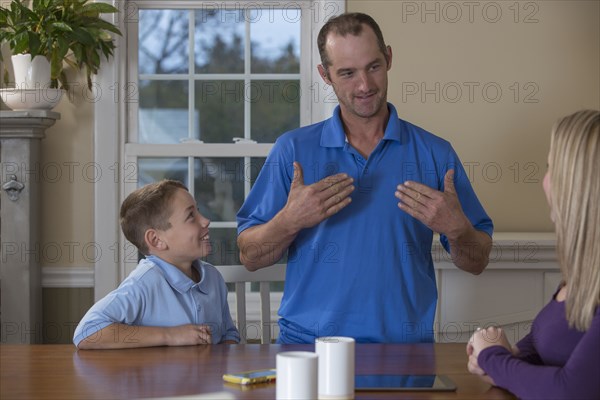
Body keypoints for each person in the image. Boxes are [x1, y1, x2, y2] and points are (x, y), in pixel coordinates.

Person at [236, 12, 493, 344]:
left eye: (373, 66)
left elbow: (477, 261)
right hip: (308, 350)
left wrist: (458, 230)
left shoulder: (435, 154)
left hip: (404, 351)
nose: (365, 85)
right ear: (325, 75)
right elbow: (250, 257)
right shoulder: (292, 150)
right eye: (347, 73)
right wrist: (290, 221)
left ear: (388, 57)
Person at [466, 110, 600, 399]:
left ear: (579, 185)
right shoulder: (583, 274)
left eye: (551, 168)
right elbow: (545, 345)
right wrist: (502, 356)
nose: (544, 181)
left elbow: (571, 390)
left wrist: (493, 358)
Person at [73, 180, 240, 348]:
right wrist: (170, 335)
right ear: (156, 240)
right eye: (191, 216)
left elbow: (228, 333)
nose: (205, 220)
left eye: (199, 211)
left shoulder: (213, 277)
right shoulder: (145, 282)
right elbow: (87, 332)